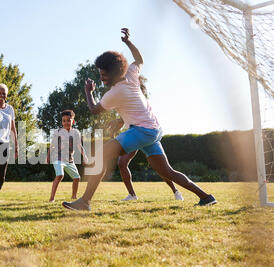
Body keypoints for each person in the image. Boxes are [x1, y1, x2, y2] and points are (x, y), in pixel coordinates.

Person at [62, 28, 217, 211]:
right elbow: (139, 60)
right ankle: (206, 197)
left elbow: (95, 109)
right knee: (167, 171)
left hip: (143, 130)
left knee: (102, 155)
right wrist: (128, 42)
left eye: (104, 74)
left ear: (114, 73)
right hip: (152, 129)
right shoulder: (131, 74)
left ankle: (84, 202)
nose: (101, 77)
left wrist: (88, 92)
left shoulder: (116, 92)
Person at [47, 110, 89, 202]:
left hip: (69, 159)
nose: (66, 123)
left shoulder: (76, 133)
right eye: (64, 121)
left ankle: (74, 197)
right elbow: (52, 145)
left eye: (68, 120)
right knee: (60, 175)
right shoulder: (58, 132)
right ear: (62, 122)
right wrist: (48, 156)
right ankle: (52, 198)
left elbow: (79, 146)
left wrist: (84, 156)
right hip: (57, 157)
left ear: (73, 121)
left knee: (77, 178)